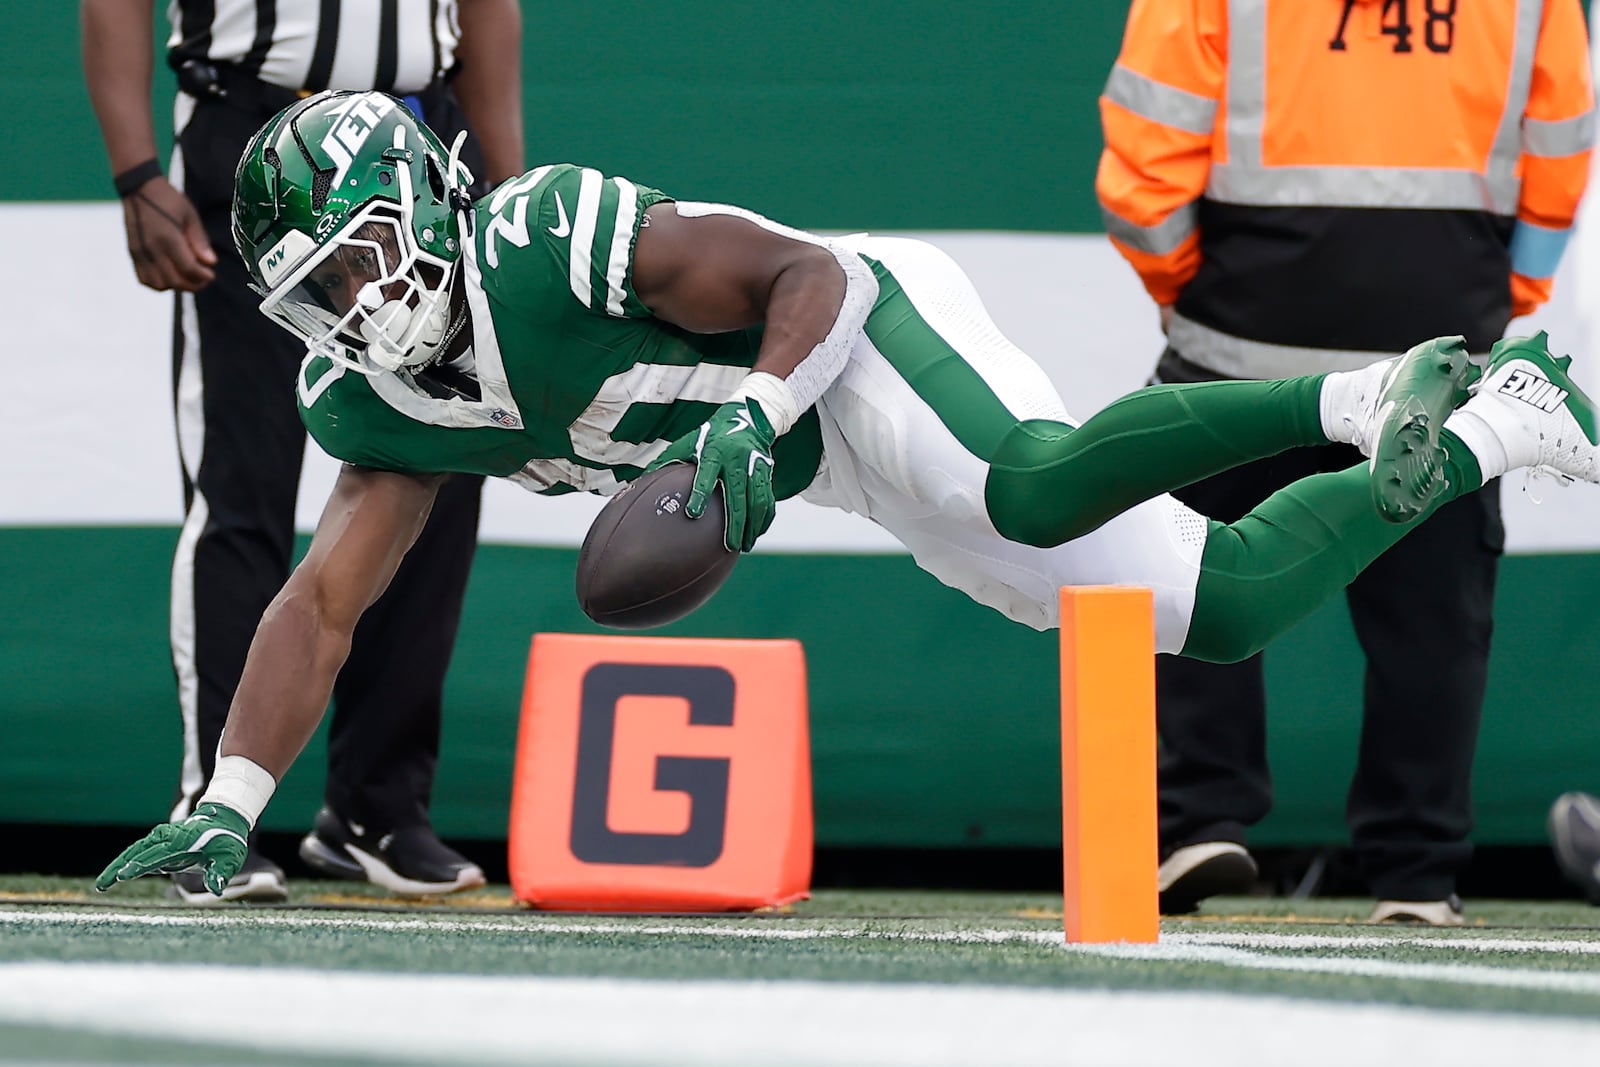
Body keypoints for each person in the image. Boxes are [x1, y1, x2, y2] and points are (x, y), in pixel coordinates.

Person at [93, 92, 1600, 898]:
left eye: (355, 266)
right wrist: (227, 805)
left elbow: (809, 272)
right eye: (312, 300)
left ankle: (1357, 396)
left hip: (850, 337)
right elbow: (321, 598)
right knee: (1219, 610)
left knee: (1029, 483)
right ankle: (1499, 428)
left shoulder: (542, 234)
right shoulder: (371, 395)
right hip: (823, 466)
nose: (348, 314)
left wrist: (754, 409)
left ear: (419, 212)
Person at [1097, 0, 1595, 923]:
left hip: (1241, 333)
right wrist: (1500, 300)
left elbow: (1144, 162)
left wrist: (1189, 297)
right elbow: (1561, 152)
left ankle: (1201, 820)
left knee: (1177, 560)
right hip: (1439, 335)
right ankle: (1417, 871)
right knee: (1433, 614)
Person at [80, 0, 525, 902]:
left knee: (441, 461)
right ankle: (214, 808)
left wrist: (505, 188)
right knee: (242, 480)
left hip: (417, 133)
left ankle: (377, 806)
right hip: (262, 143)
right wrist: (134, 170)